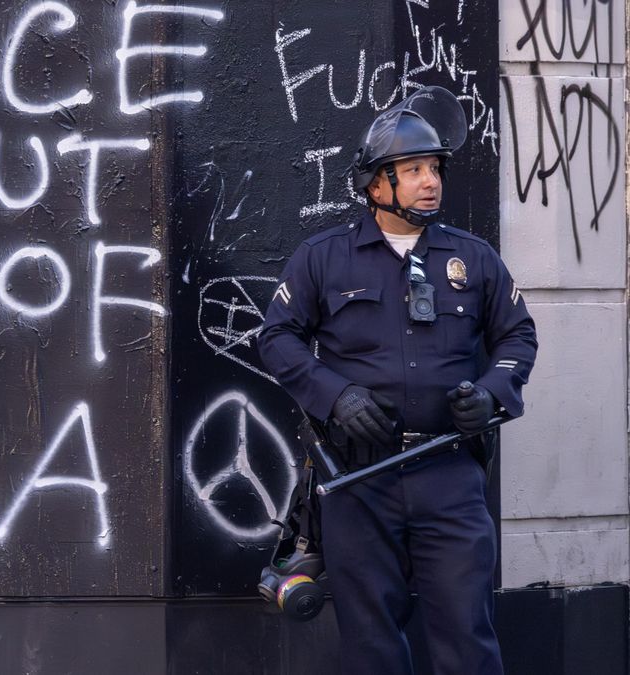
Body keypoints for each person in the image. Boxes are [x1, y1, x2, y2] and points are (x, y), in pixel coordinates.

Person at [257, 86, 538, 674]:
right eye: (412, 170)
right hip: (359, 481)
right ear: (375, 184)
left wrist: (491, 394)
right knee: (372, 646)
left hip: (451, 475)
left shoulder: (474, 258)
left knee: (468, 638)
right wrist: (336, 395)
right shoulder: (323, 257)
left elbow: (518, 337)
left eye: (434, 168)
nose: (430, 182)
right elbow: (277, 338)